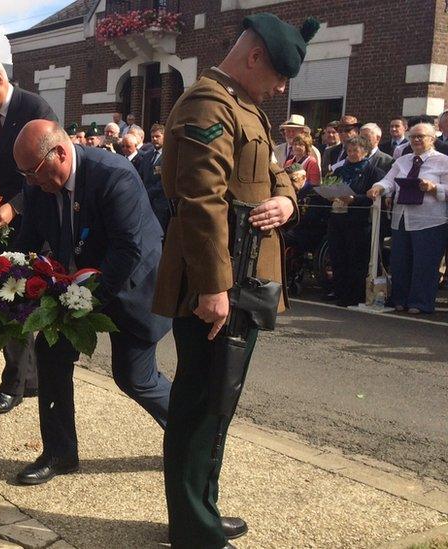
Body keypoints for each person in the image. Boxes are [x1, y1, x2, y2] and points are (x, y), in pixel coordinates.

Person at [155, 13, 312, 548]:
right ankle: (193, 531)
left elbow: (275, 172)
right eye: (281, 73)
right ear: (254, 58)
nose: (283, 86)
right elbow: (200, 200)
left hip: (244, 278)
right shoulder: (208, 103)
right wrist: (213, 288)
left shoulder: (246, 107)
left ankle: (203, 509)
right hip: (219, 282)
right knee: (200, 407)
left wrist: (287, 200)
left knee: (217, 403)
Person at [10, 119, 172, 485]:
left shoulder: (114, 176)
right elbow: (29, 241)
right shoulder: (36, 183)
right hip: (75, 286)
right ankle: (59, 453)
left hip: (130, 284)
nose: (30, 182)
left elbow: (127, 250)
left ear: (61, 154)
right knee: (51, 355)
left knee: (135, 377)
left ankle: (190, 434)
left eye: (33, 173)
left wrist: (87, 300)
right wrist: (4, 280)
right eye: (25, 175)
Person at [0, 51, 57, 414]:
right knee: (8, 296)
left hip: (32, 218)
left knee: (14, 299)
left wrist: (14, 206)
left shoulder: (36, 107)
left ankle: (13, 384)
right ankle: (28, 380)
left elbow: (45, 169)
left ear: (1, 78)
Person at [367, 122, 448, 314]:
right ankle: (399, 299)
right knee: (400, 261)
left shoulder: (443, 161)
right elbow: (389, 180)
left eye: (421, 137)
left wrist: (434, 188)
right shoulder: (403, 161)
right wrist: (378, 187)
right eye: (413, 137)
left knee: (425, 263)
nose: (416, 140)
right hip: (402, 218)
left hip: (429, 221)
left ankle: (420, 303)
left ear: (432, 139)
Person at [328, 136, 387, 307]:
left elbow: (373, 198)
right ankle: (339, 292)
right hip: (337, 217)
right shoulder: (339, 171)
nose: (352, 154)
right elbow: (330, 187)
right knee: (338, 256)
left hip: (358, 223)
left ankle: (354, 295)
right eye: (349, 150)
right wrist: (329, 194)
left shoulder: (374, 172)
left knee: (356, 259)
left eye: (356, 150)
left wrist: (354, 199)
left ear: (365, 152)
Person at [137, 123, 170, 234]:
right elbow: (140, 176)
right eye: (152, 137)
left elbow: (164, 181)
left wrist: (148, 192)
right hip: (146, 203)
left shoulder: (168, 156)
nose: (154, 139)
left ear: (164, 137)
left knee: (159, 234)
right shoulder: (147, 156)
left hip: (160, 204)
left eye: (157, 136)